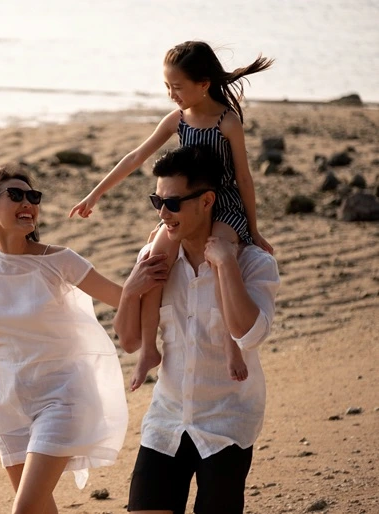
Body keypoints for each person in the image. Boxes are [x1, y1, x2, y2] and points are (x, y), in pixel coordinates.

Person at [0, 163, 168, 514]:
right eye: (16, 195)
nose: (28, 203)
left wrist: (140, 278)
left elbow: (123, 298)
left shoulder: (60, 260)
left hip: (63, 396)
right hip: (7, 403)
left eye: (33, 196)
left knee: (24, 509)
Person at [70, 40, 275, 391]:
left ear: (204, 84)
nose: (171, 94)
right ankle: (149, 349)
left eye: (177, 87)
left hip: (225, 205)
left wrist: (253, 230)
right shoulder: (177, 120)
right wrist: (95, 194)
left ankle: (232, 347)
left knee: (218, 258)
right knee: (155, 261)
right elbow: (136, 157)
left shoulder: (227, 122)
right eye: (167, 86)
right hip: (184, 204)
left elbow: (243, 178)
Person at [114, 146, 280, 514]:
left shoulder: (255, 263)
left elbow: (249, 334)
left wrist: (226, 265)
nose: (162, 213)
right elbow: (129, 341)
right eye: (157, 201)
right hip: (166, 421)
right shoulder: (155, 260)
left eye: (172, 203)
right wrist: (129, 291)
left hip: (227, 423)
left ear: (207, 201)